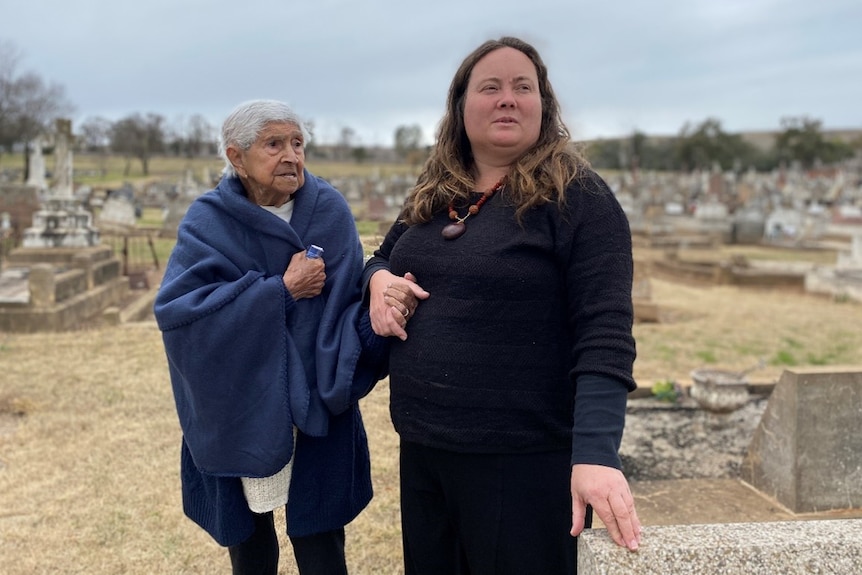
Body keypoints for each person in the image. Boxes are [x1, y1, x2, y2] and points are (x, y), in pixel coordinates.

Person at [363, 36, 642, 574]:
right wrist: (377, 282)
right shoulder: (437, 190)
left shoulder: (579, 198)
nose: (508, 98)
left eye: (523, 87)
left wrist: (596, 454)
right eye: (490, 87)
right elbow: (380, 257)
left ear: (544, 106)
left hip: (523, 463)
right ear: (461, 107)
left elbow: (605, 333)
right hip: (425, 449)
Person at [154, 99, 388, 575]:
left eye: (297, 143)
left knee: (322, 544)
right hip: (239, 401)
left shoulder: (329, 211)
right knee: (251, 551)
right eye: (274, 144)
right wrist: (279, 292)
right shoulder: (208, 221)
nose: (291, 156)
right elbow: (181, 315)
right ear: (236, 157)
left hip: (319, 400)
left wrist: (383, 290)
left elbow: (348, 302)